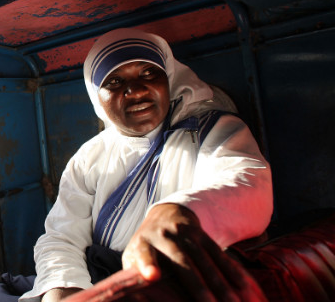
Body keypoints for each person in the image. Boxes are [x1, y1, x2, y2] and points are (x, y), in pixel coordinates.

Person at [18, 28, 273, 301]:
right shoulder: (88, 158)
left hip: (180, 283)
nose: (136, 90)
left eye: (149, 73)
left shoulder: (212, 130)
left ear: (168, 80)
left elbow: (247, 181)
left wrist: (179, 211)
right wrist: (66, 289)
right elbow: (62, 237)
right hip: (97, 284)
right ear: (96, 97)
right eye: (114, 81)